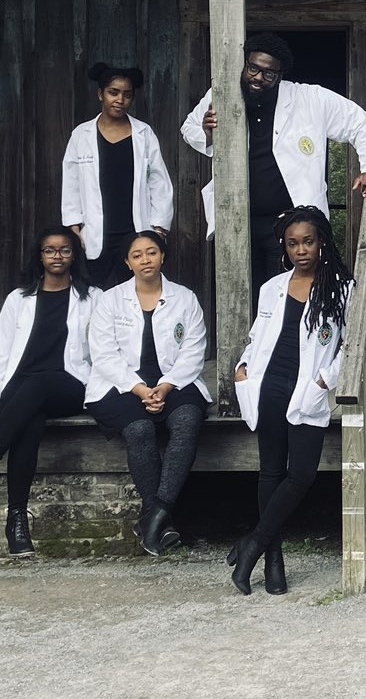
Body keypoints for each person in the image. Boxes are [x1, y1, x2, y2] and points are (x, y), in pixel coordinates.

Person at [182, 33, 366, 291]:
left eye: (269, 74)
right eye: (253, 68)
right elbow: (188, 128)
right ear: (245, 65)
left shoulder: (311, 99)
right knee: (238, 293)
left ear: (280, 76)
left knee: (288, 293)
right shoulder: (221, 94)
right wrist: (207, 134)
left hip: (289, 224)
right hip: (236, 218)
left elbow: (362, 122)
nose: (258, 77)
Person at [0, 227, 100, 557]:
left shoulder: (93, 298)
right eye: (49, 250)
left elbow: (102, 350)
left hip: (71, 384)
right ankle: (17, 521)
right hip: (23, 387)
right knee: (29, 422)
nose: (57, 256)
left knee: (40, 383)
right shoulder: (18, 299)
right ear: (40, 256)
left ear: (75, 255)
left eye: (64, 250)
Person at [228, 207, 353, 595]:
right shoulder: (273, 287)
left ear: (322, 243)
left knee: (302, 474)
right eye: (294, 243)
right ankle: (272, 559)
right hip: (269, 384)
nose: (302, 250)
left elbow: (348, 345)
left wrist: (324, 380)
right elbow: (256, 335)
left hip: (306, 388)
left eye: (309, 242)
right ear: (285, 246)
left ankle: (254, 542)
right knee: (271, 472)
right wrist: (244, 366)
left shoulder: (341, 289)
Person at [86, 231, 209, 556]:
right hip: (120, 385)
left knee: (186, 420)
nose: (145, 260)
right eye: (137, 255)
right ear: (127, 262)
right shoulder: (110, 300)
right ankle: (161, 521)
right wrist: (140, 389)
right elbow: (104, 355)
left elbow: (193, 351)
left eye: (151, 252)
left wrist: (166, 386)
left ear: (162, 256)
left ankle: (155, 514)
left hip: (174, 382)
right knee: (139, 430)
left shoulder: (185, 298)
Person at [62, 63, 175, 289]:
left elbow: (159, 181)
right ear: (100, 94)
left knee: (135, 293)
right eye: (113, 92)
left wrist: (159, 228)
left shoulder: (144, 134)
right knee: (91, 293)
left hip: (134, 228)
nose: (120, 100)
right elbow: (71, 181)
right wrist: (74, 225)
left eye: (127, 94)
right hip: (95, 232)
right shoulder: (81, 135)